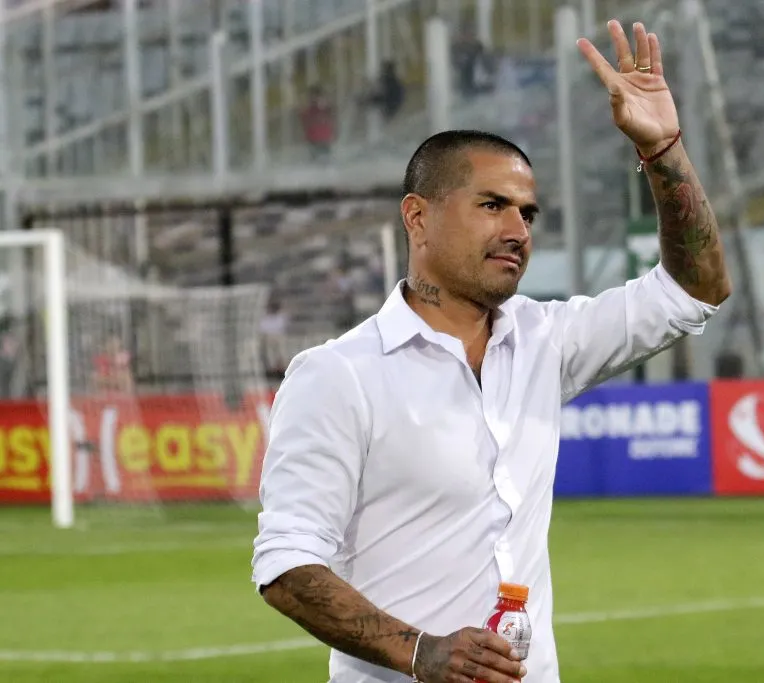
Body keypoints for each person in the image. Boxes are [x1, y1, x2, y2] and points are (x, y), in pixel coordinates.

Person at [252, 19, 731, 683]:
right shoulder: (339, 376)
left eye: (527, 213)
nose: (516, 230)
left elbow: (696, 289)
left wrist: (664, 149)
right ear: (417, 217)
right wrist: (423, 652)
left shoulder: (544, 341)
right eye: (492, 205)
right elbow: (286, 565)